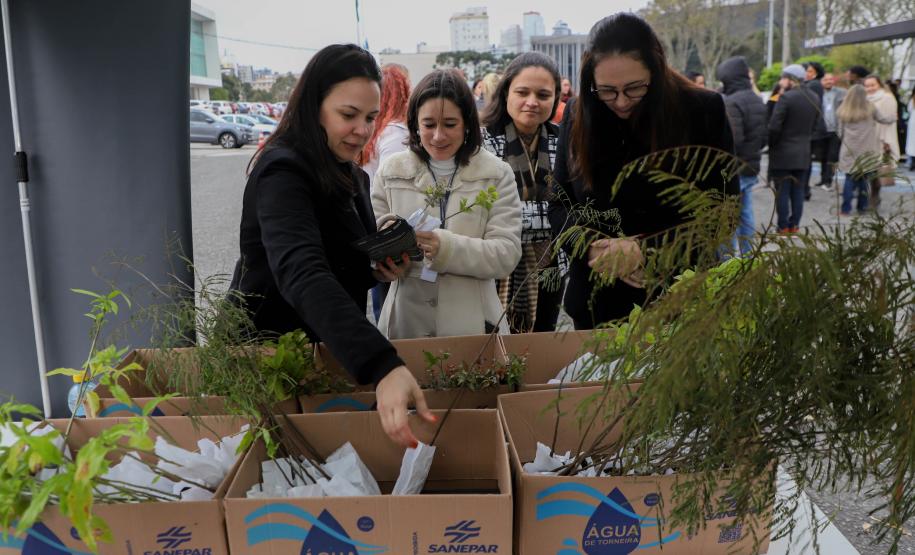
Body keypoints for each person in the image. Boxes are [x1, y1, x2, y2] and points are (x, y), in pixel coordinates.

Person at [229, 44, 432, 448]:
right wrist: (382, 364)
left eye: (371, 117)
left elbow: (341, 260)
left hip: (326, 353)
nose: (362, 129)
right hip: (272, 357)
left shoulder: (352, 174)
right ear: (313, 106)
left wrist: (374, 267)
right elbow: (301, 270)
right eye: (348, 115)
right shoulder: (283, 170)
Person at [549, 13, 738, 328]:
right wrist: (592, 246)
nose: (621, 102)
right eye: (607, 90)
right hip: (596, 305)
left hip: (679, 298)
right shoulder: (579, 111)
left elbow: (724, 212)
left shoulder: (702, 110)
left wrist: (645, 252)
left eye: (635, 88)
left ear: (657, 70)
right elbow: (558, 202)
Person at [372, 69, 523, 339]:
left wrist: (448, 248)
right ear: (415, 124)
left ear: (467, 123)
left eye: (450, 124)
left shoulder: (495, 174)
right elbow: (372, 238)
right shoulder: (391, 172)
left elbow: (506, 254)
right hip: (406, 325)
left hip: (473, 327)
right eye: (429, 125)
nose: (439, 136)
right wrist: (384, 265)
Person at [481, 52, 564, 332]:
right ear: (506, 93)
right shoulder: (480, 142)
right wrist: (551, 217)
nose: (532, 102)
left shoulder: (565, 141)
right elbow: (487, 214)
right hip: (494, 266)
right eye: (522, 92)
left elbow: (572, 208)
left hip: (551, 267)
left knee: (542, 343)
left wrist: (515, 216)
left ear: (555, 98)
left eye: (543, 94)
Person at [357, 63, 412, 322]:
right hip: (386, 229)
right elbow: (395, 187)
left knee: (381, 303)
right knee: (389, 306)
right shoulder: (395, 135)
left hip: (370, 223)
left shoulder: (378, 131)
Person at [717, 56, 767, 255]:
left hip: (734, 169)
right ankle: (748, 254)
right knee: (745, 213)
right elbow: (765, 136)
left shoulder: (732, 102)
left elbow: (733, 140)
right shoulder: (757, 99)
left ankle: (726, 260)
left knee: (727, 218)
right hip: (751, 165)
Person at [768, 64, 821, 233]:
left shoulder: (786, 98)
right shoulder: (814, 97)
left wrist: (772, 144)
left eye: (783, 78)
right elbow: (817, 125)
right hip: (803, 152)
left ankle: (782, 226)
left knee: (782, 192)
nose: (781, 81)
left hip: (783, 152)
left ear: (791, 79)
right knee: (798, 191)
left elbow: (774, 126)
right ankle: (794, 225)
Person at [836, 84, 887, 215]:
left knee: (849, 178)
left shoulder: (843, 108)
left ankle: (845, 209)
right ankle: (862, 207)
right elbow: (883, 119)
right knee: (865, 179)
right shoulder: (870, 107)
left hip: (849, 149)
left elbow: (839, 132)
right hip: (867, 149)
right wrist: (894, 117)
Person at [864, 74, 899, 207]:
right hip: (868, 137)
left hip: (882, 137)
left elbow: (889, 121)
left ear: (879, 84)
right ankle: (870, 196)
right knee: (869, 169)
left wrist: (886, 141)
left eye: (872, 85)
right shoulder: (865, 99)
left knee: (877, 169)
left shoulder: (887, 98)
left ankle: (874, 197)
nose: (870, 88)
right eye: (867, 86)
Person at [816, 72, 847, 190]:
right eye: (825, 80)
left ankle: (829, 180)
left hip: (835, 129)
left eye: (830, 79)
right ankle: (823, 179)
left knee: (832, 156)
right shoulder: (818, 93)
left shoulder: (841, 93)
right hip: (822, 129)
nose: (828, 82)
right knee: (822, 156)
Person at [803, 62, 828, 199]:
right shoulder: (813, 84)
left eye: (810, 71)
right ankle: (804, 189)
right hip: (814, 128)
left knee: (806, 161)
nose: (807, 73)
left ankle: (805, 189)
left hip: (813, 129)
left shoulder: (814, 85)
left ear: (816, 73)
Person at [907, 91, 915, 171]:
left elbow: (909, 109)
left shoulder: (912, 100)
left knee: (912, 143)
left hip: (912, 122)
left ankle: (912, 162)